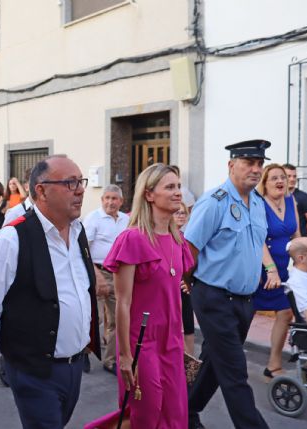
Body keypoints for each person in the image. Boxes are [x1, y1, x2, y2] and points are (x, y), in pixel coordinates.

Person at [0, 155, 101, 429]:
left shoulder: (78, 233)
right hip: (35, 371)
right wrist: (15, 353)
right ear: (40, 190)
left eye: (81, 181)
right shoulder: (10, 239)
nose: (80, 190)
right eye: (70, 183)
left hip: (74, 366)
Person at [185, 140, 271, 429]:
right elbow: (189, 253)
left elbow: (256, 246)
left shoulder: (258, 203)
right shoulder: (214, 202)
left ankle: (186, 410)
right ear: (231, 165)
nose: (256, 169)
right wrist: (189, 287)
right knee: (235, 372)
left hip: (245, 301)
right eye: (249, 163)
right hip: (214, 297)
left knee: (214, 360)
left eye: (260, 164)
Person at [102, 164, 193, 429]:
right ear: (150, 194)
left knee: (176, 413)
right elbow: (123, 302)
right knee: (147, 414)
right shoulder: (133, 239)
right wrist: (126, 356)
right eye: (170, 187)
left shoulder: (178, 240)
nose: (178, 193)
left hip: (172, 339)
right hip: (143, 342)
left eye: (178, 186)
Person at [253, 164, 300, 378]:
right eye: (273, 178)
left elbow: (296, 235)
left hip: (284, 269)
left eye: (282, 177)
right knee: (244, 316)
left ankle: (273, 364)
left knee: (286, 313)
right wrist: (270, 268)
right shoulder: (258, 204)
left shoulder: (291, 201)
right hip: (261, 269)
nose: (280, 181)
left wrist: (305, 260)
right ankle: (222, 360)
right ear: (264, 183)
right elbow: (259, 240)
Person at [82, 184, 129, 375]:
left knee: (118, 318)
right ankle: (83, 352)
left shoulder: (127, 219)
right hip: (96, 271)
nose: (110, 202)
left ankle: (110, 360)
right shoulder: (93, 218)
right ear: (102, 200)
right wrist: (97, 275)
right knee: (95, 317)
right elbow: (83, 250)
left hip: (119, 273)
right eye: (107, 198)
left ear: (121, 201)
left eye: (114, 198)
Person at [173, 201, 195, 355]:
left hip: (183, 285)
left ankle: (189, 360)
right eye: (177, 212)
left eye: (183, 213)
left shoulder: (182, 236)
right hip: (172, 286)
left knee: (188, 321)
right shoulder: (168, 236)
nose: (181, 216)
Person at [283, 164, 307, 237]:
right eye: (289, 176)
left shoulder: (304, 197)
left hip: (297, 242)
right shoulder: (275, 196)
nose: (292, 179)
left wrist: (300, 238)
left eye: (294, 176)